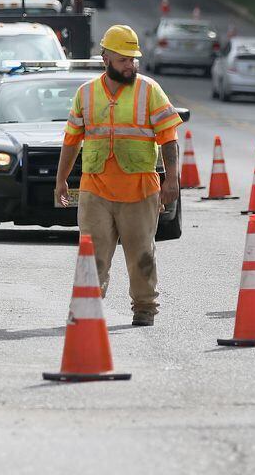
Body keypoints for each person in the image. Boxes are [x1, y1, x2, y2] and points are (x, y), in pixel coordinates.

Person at [54, 24, 184, 326]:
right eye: (124, 59)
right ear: (106, 59)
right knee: (92, 255)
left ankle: (144, 307)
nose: (131, 65)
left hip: (139, 189)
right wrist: (61, 179)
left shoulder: (149, 90)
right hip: (95, 189)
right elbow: (72, 140)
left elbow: (168, 137)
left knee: (141, 256)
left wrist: (172, 177)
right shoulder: (86, 94)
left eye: (133, 59)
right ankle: (87, 305)